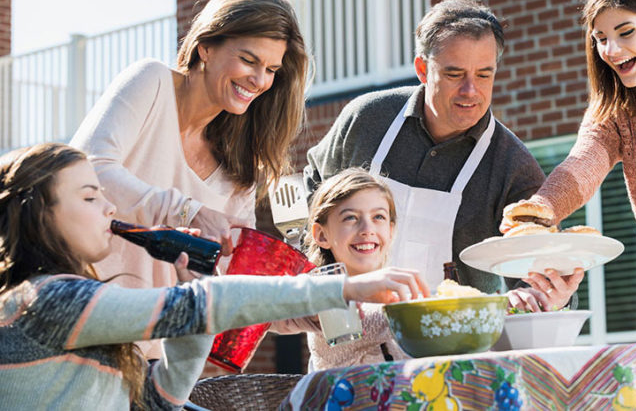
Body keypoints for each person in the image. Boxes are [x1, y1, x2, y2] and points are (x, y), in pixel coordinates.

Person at [0, 143, 429, 409]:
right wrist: (344, 286)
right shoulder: (47, 301)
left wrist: (194, 313)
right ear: (39, 214)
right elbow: (204, 304)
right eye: (91, 196)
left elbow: (161, 398)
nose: (111, 208)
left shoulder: (70, 302)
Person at [71, 0, 308, 357]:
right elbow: (85, 172)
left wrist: (283, 313)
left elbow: (225, 279)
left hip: (153, 359)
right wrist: (187, 212)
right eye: (248, 60)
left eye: (271, 69)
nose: (260, 80)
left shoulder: (242, 167)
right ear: (206, 47)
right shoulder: (152, 83)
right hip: (82, 333)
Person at [305, 0, 583, 311]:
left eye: (484, 75)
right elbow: (315, 187)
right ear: (423, 69)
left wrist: (555, 297)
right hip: (349, 332)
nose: (471, 91)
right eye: (454, 75)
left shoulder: (511, 166)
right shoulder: (368, 118)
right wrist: (322, 274)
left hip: (455, 348)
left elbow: (538, 278)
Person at [500, 0, 636, 341]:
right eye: (601, 38)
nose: (611, 50)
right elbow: (581, 165)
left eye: (626, 33)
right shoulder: (616, 109)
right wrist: (540, 210)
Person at [271, 168, 410, 370]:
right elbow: (371, 321)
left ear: (390, 230)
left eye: (378, 217)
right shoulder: (323, 289)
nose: (367, 229)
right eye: (350, 218)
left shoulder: (397, 289)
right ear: (322, 235)